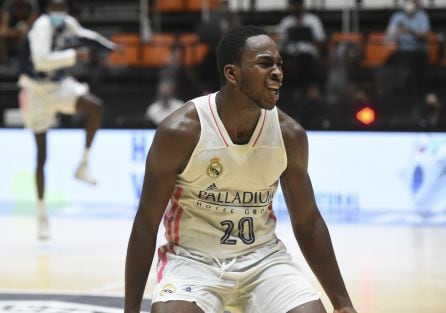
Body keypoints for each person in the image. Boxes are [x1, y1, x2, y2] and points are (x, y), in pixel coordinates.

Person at [125, 25, 357, 313]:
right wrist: (131, 310)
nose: (277, 73)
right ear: (232, 74)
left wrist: (343, 303)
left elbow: (308, 221)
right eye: (264, 63)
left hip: (263, 260)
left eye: (279, 64)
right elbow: (146, 221)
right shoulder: (181, 131)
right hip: (192, 261)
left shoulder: (289, 136)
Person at [18, 0, 116, 240]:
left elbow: (85, 35)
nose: (59, 12)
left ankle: (83, 164)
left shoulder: (67, 22)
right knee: (41, 155)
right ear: (47, 8)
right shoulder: (41, 26)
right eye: (55, 7)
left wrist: (109, 46)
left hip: (59, 86)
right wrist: (74, 55)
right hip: (36, 92)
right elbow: (42, 60)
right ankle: (42, 215)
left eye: (62, 7)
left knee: (95, 107)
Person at [277, 0, 326, 123]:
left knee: (307, 57)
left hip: (308, 56)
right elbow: (280, 43)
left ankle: (312, 88)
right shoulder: (286, 22)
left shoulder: (313, 20)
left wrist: (307, 36)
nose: (296, 7)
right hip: (291, 56)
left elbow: (321, 41)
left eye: (299, 4)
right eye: (294, 4)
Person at [385, 0, 432, 111]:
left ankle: (416, 99)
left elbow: (424, 35)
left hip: (418, 52)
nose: (409, 4)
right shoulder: (397, 16)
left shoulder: (422, 16)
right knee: (387, 64)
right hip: (402, 51)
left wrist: (410, 31)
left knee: (416, 65)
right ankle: (394, 96)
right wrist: (396, 32)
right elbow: (389, 36)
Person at [0, 0, 39, 64]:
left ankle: (23, 61)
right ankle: (5, 62)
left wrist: (22, 30)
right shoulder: (9, 3)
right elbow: (4, 24)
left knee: (25, 34)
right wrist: (14, 32)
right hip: (12, 29)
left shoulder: (32, 3)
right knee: (1, 32)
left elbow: (32, 23)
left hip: (28, 30)